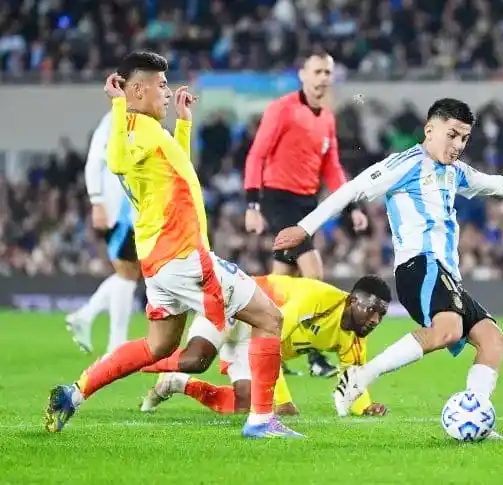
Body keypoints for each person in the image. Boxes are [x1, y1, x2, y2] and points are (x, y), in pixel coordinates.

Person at [273, 98, 503, 438]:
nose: (458, 145)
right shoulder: (407, 164)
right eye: (452, 135)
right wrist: (305, 228)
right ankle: (361, 375)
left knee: (493, 342)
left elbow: (497, 184)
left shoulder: (456, 172)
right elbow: (353, 188)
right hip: (419, 266)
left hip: (447, 275)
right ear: (430, 130)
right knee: (447, 330)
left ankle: (473, 417)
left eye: (464, 138)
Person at [44, 51, 300, 440]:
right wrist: (117, 105)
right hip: (184, 256)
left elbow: (177, 171)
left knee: (158, 345)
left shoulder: (149, 131)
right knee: (270, 318)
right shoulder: (130, 126)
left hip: (160, 261)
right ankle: (262, 421)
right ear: (137, 89)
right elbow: (116, 162)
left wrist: (183, 126)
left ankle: (74, 394)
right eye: (160, 85)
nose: (167, 91)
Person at [244, 49, 367, 378]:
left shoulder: (326, 117)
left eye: (328, 73)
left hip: (306, 204)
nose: (323, 78)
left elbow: (332, 166)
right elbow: (257, 155)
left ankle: (269, 351)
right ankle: (314, 357)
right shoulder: (282, 109)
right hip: (278, 198)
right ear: (303, 75)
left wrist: (351, 206)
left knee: (283, 283)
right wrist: (252, 205)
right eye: (317, 72)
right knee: (313, 275)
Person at [138, 275, 390, 417]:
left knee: (244, 405)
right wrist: (283, 401)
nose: (375, 320)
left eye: (381, 315)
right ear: (353, 300)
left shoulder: (355, 338)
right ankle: (136, 363)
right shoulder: (317, 299)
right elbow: (271, 339)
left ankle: (176, 383)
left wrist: (365, 408)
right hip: (231, 308)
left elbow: (353, 379)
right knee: (196, 360)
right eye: (371, 311)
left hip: (253, 339)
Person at [65, 110, 140, 356]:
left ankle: (85, 317)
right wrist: (96, 200)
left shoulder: (142, 119)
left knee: (130, 272)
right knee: (128, 273)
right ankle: (115, 344)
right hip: (119, 210)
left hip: (132, 209)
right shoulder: (113, 120)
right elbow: (94, 160)